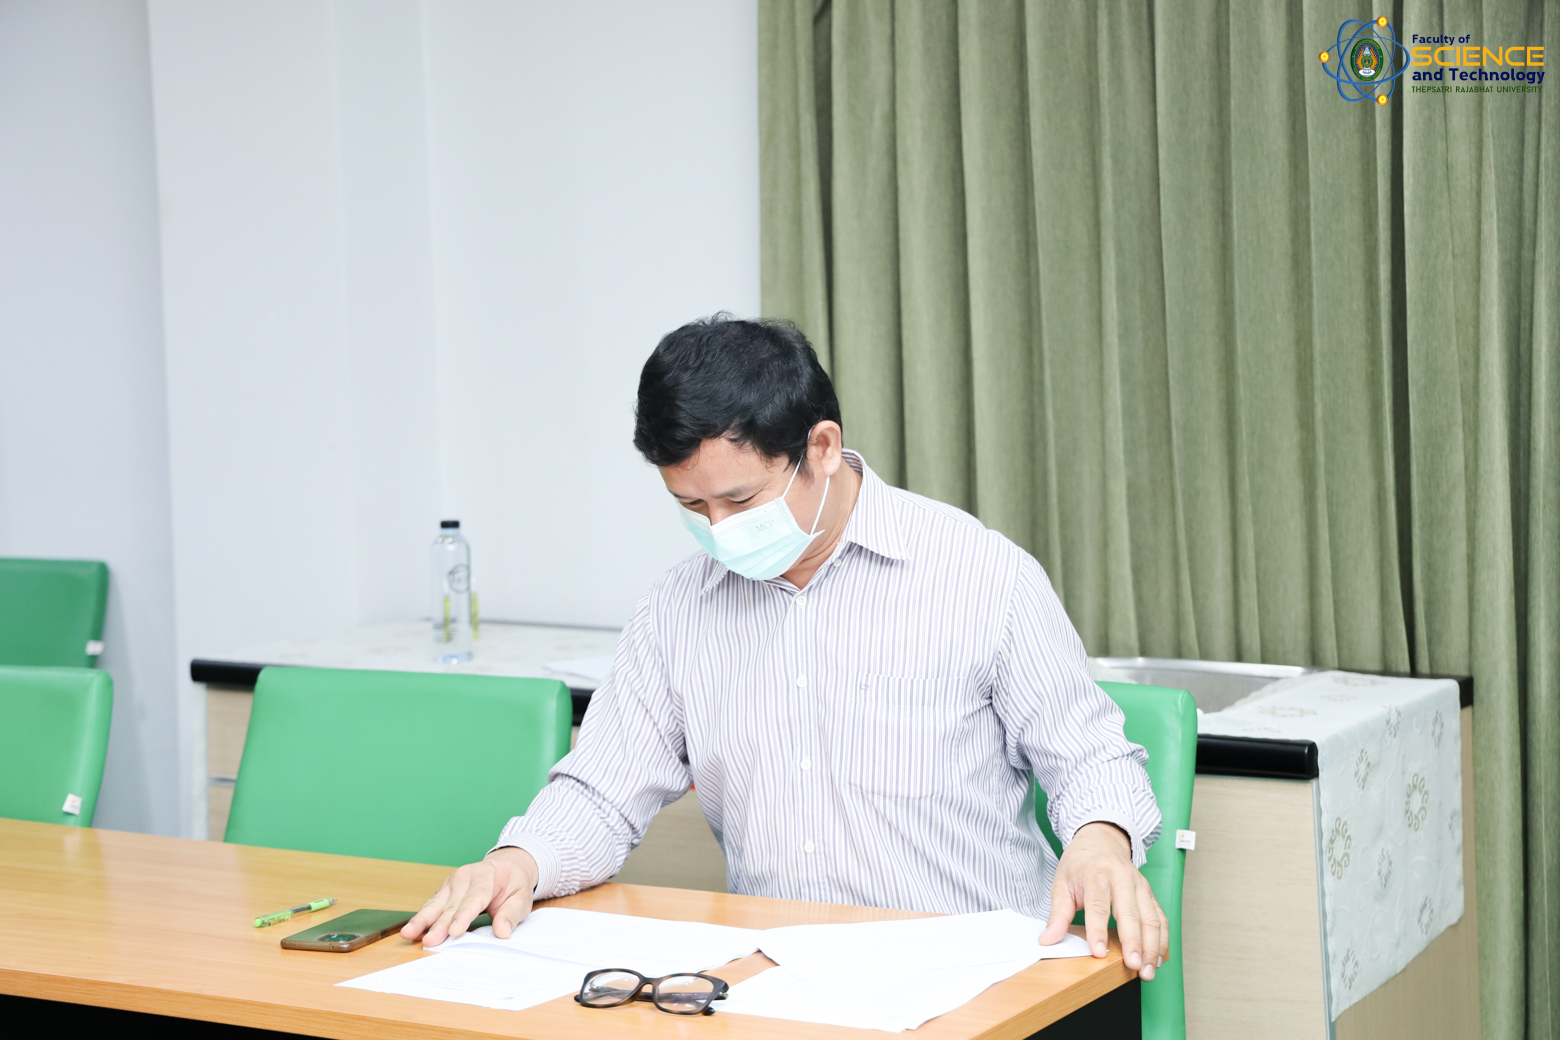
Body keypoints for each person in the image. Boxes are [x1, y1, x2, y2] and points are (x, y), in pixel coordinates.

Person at [402, 316, 1169, 981]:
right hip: (782, 979)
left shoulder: (981, 574)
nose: (719, 528)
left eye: (740, 499)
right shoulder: (678, 610)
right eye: (691, 505)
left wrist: (1099, 843)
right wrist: (519, 862)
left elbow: (1090, 757)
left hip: (978, 975)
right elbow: (602, 791)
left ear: (822, 447)